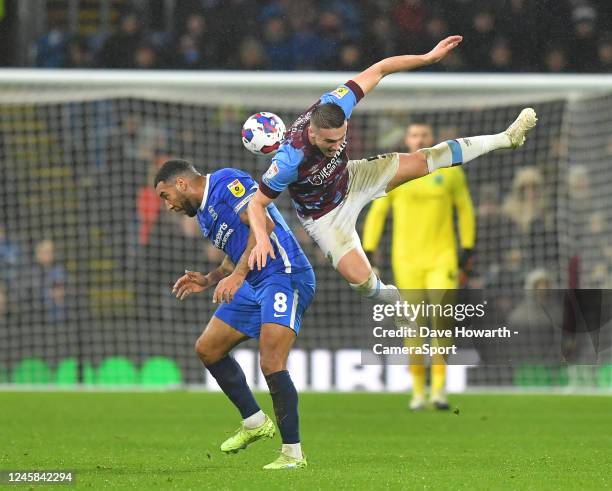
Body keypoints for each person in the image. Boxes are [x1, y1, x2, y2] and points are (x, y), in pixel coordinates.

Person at [247, 36, 536, 311]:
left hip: (353, 177)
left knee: (424, 161)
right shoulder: (289, 159)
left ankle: (505, 138)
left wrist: (427, 57)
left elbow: (380, 68)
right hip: (323, 216)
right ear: (311, 132)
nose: (336, 147)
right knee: (361, 282)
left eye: (341, 139)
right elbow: (257, 204)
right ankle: (392, 298)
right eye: (328, 142)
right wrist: (261, 239)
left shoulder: (337, 104)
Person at [154, 159, 315, 470]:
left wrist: (238, 277)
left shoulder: (227, 182)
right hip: (254, 280)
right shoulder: (203, 216)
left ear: (182, 184)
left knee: (270, 362)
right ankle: (254, 421)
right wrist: (211, 278)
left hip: (284, 273)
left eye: (166, 196)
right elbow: (237, 247)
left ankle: (293, 454)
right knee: (208, 348)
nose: (168, 205)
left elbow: (264, 225)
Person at [362, 122, 475, 410]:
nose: (420, 138)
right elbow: (378, 212)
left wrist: (468, 246)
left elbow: (464, 208)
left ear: (433, 138)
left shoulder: (449, 171)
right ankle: (417, 392)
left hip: (443, 258)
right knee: (412, 327)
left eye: (424, 134)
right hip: (407, 260)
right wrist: (370, 249)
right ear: (407, 139)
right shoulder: (398, 171)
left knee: (443, 321)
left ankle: (438, 390)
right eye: (414, 134)